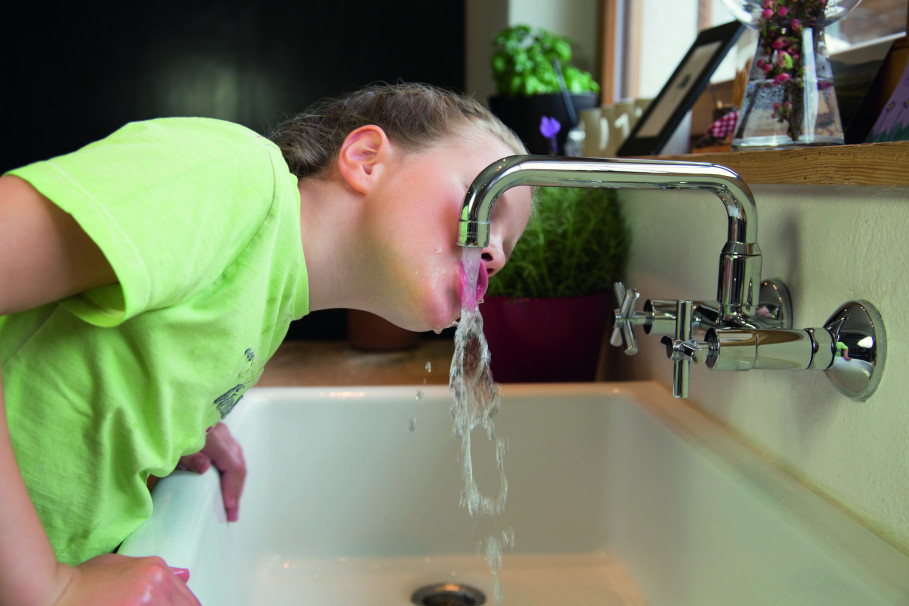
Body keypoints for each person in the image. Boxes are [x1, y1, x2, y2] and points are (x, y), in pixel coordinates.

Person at [0, 82, 532, 605]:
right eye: (482, 200)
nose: (497, 255)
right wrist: (47, 587)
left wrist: (165, 413)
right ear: (367, 159)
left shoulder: (270, 296)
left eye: (507, 245)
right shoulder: (230, 175)